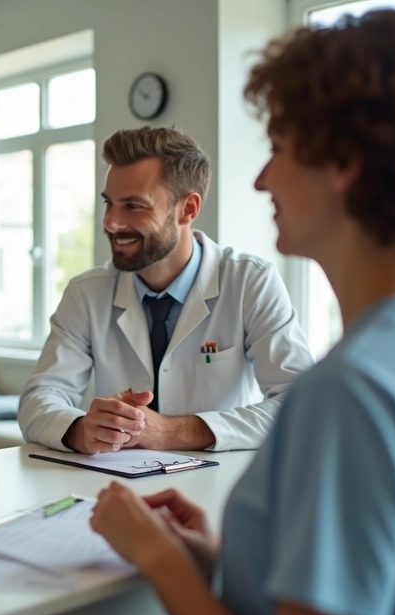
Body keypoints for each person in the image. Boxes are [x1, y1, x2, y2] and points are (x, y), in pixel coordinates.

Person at [90, 10, 395, 615]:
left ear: (344, 162)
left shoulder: (353, 391)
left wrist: (154, 556)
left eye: (281, 149)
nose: (264, 178)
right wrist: (215, 560)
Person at [18, 127, 314, 454]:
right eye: (109, 204)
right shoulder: (86, 293)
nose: (111, 223)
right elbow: (38, 399)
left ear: (188, 209)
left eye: (133, 206)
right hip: (115, 486)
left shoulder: (250, 282)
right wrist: (80, 430)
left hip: (217, 489)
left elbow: (299, 405)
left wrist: (172, 432)